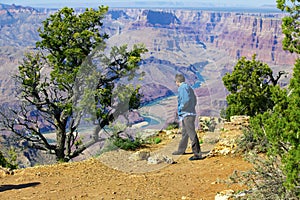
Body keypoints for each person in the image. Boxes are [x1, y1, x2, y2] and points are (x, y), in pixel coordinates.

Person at [172, 73, 205, 160]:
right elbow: (194, 99)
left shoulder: (182, 88)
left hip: (187, 114)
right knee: (185, 132)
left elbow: (186, 100)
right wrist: (191, 108)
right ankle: (181, 150)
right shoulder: (188, 87)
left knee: (191, 133)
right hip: (189, 113)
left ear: (177, 81)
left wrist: (181, 108)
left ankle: (197, 154)